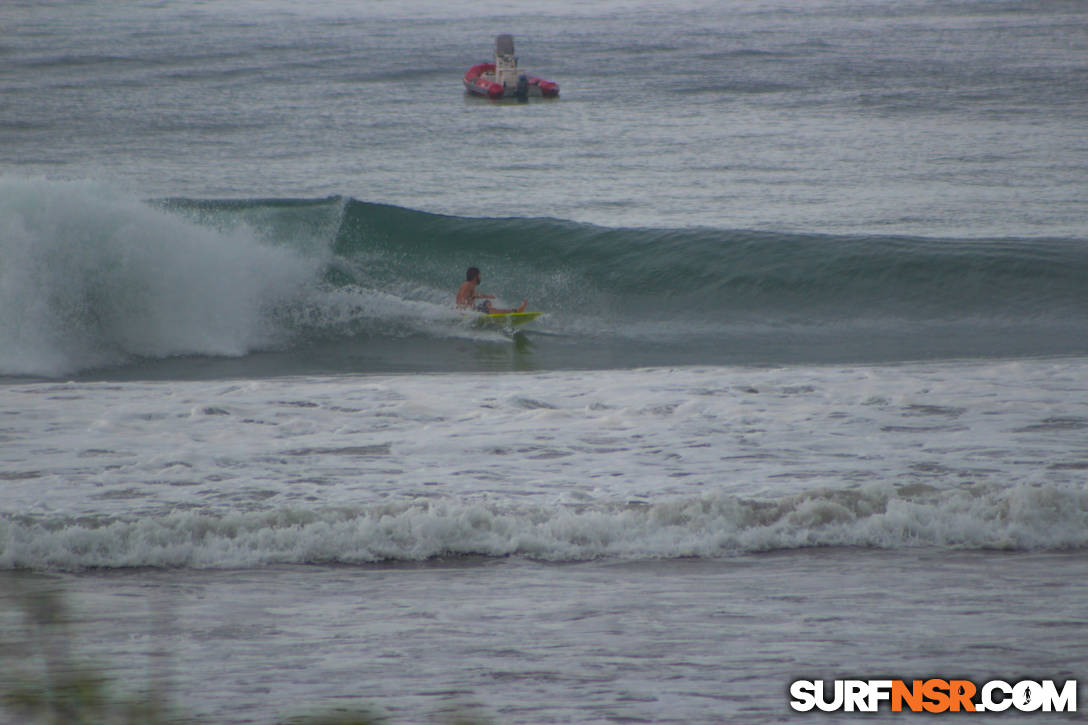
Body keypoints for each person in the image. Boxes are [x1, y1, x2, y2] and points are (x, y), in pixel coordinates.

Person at [456, 267, 527, 313]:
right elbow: (461, 298)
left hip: (472, 310)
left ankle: (492, 312)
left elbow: (475, 295)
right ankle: (516, 311)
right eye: (479, 275)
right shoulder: (467, 285)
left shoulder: (471, 286)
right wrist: (465, 310)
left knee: (487, 302)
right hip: (467, 311)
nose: (480, 277)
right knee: (490, 310)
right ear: (475, 277)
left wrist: (490, 296)